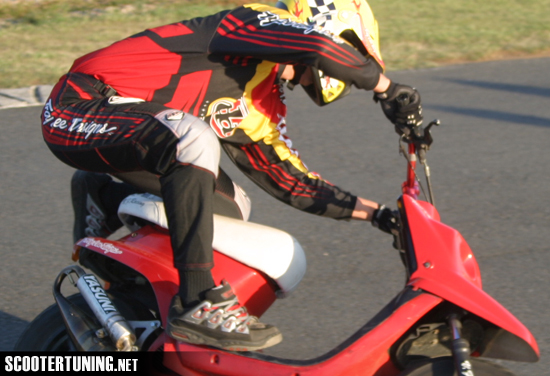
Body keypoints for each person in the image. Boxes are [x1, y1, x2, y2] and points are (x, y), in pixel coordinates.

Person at [41, 0, 422, 351]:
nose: (304, 82)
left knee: (230, 208)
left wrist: (379, 216)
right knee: (193, 138)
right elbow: (317, 48)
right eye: (308, 76)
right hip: (79, 106)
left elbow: (293, 183)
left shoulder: (260, 106)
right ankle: (197, 302)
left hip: (134, 134)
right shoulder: (248, 22)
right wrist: (386, 88)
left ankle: (110, 210)